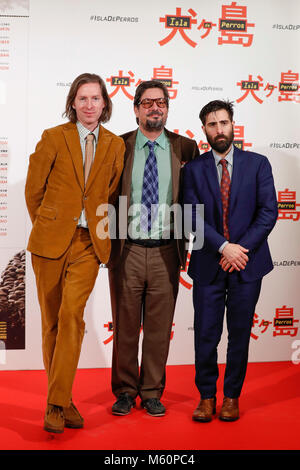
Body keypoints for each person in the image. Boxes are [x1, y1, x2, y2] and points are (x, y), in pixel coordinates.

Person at [25, 73, 125, 433]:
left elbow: (109, 196)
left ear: (104, 104)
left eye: (95, 98)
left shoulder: (115, 145)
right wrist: (52, 223)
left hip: (88, 244)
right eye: (82, 98)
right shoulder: (54, 137)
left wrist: (88, 230)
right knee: (51, 323)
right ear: (72, 103)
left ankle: (54, 403)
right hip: (50, 244)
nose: (88, 105)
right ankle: (64, 401)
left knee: (71, 317)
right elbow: (33, 191)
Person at [108, 80, 199, 417]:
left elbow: (194, 202)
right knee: (126, 326)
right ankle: (124, 391)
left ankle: (151, 392)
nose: (155, 108)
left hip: (166, 251)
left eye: (160, 102)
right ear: (135, 109)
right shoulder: (118, 147)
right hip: (127, 251)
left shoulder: (185, 148)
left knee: (159, 329)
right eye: (147, 103)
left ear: (167, 108)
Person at [183, 100, 277, 422]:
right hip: (209, 263)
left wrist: (240, 249)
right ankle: (206, 397)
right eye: (212, 125)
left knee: (239, 334)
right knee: (206, 333)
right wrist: (224, 247)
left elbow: (268, 213)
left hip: (247, 265)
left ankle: (232, 397)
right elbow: (192, 217)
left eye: (223, 123)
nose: (219, 130)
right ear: (204, 130)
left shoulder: (258, 164)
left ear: (233, 124)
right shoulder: (193, 170)